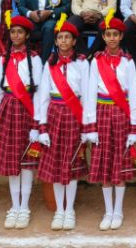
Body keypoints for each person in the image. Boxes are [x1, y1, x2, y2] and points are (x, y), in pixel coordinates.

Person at [0, 16, 42, 230]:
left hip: (26, 111)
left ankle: (24, 207)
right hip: (7, 110)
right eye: (13, 32)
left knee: (25, 162)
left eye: (20, 32)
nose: (16, 35)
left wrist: (37, 124)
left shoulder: (35, 59)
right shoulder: (3, 59)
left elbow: (39, 93)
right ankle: (14, 206)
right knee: (11, 161)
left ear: (27, 35)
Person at [85, 13, 136, 231]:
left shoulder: (128, 62)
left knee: (120, 163)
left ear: (121, 36)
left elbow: (133, 93)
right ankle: (108, 211)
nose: (112, 38)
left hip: (122, 115)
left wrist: (134, 126)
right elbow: (90, 93)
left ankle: (118, 210)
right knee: (105, 163)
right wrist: (91, 125)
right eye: (108, 34)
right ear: (103, 37)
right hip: (102, 113)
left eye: (115, 34)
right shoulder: (96, 61)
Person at [36, 16, 89, 231]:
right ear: (56, 41)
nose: (64, 41)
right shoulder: (49, 64)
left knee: (72, 164)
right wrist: (42, 127)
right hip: (55, 115)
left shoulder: (83, 63)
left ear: (74, 41)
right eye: (60, 38)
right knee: (57, 165)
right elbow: (43, 96)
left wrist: (87, 126)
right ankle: (59, 210)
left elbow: (87, 96)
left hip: (74, 116)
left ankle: (70, 210)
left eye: (68, 37)